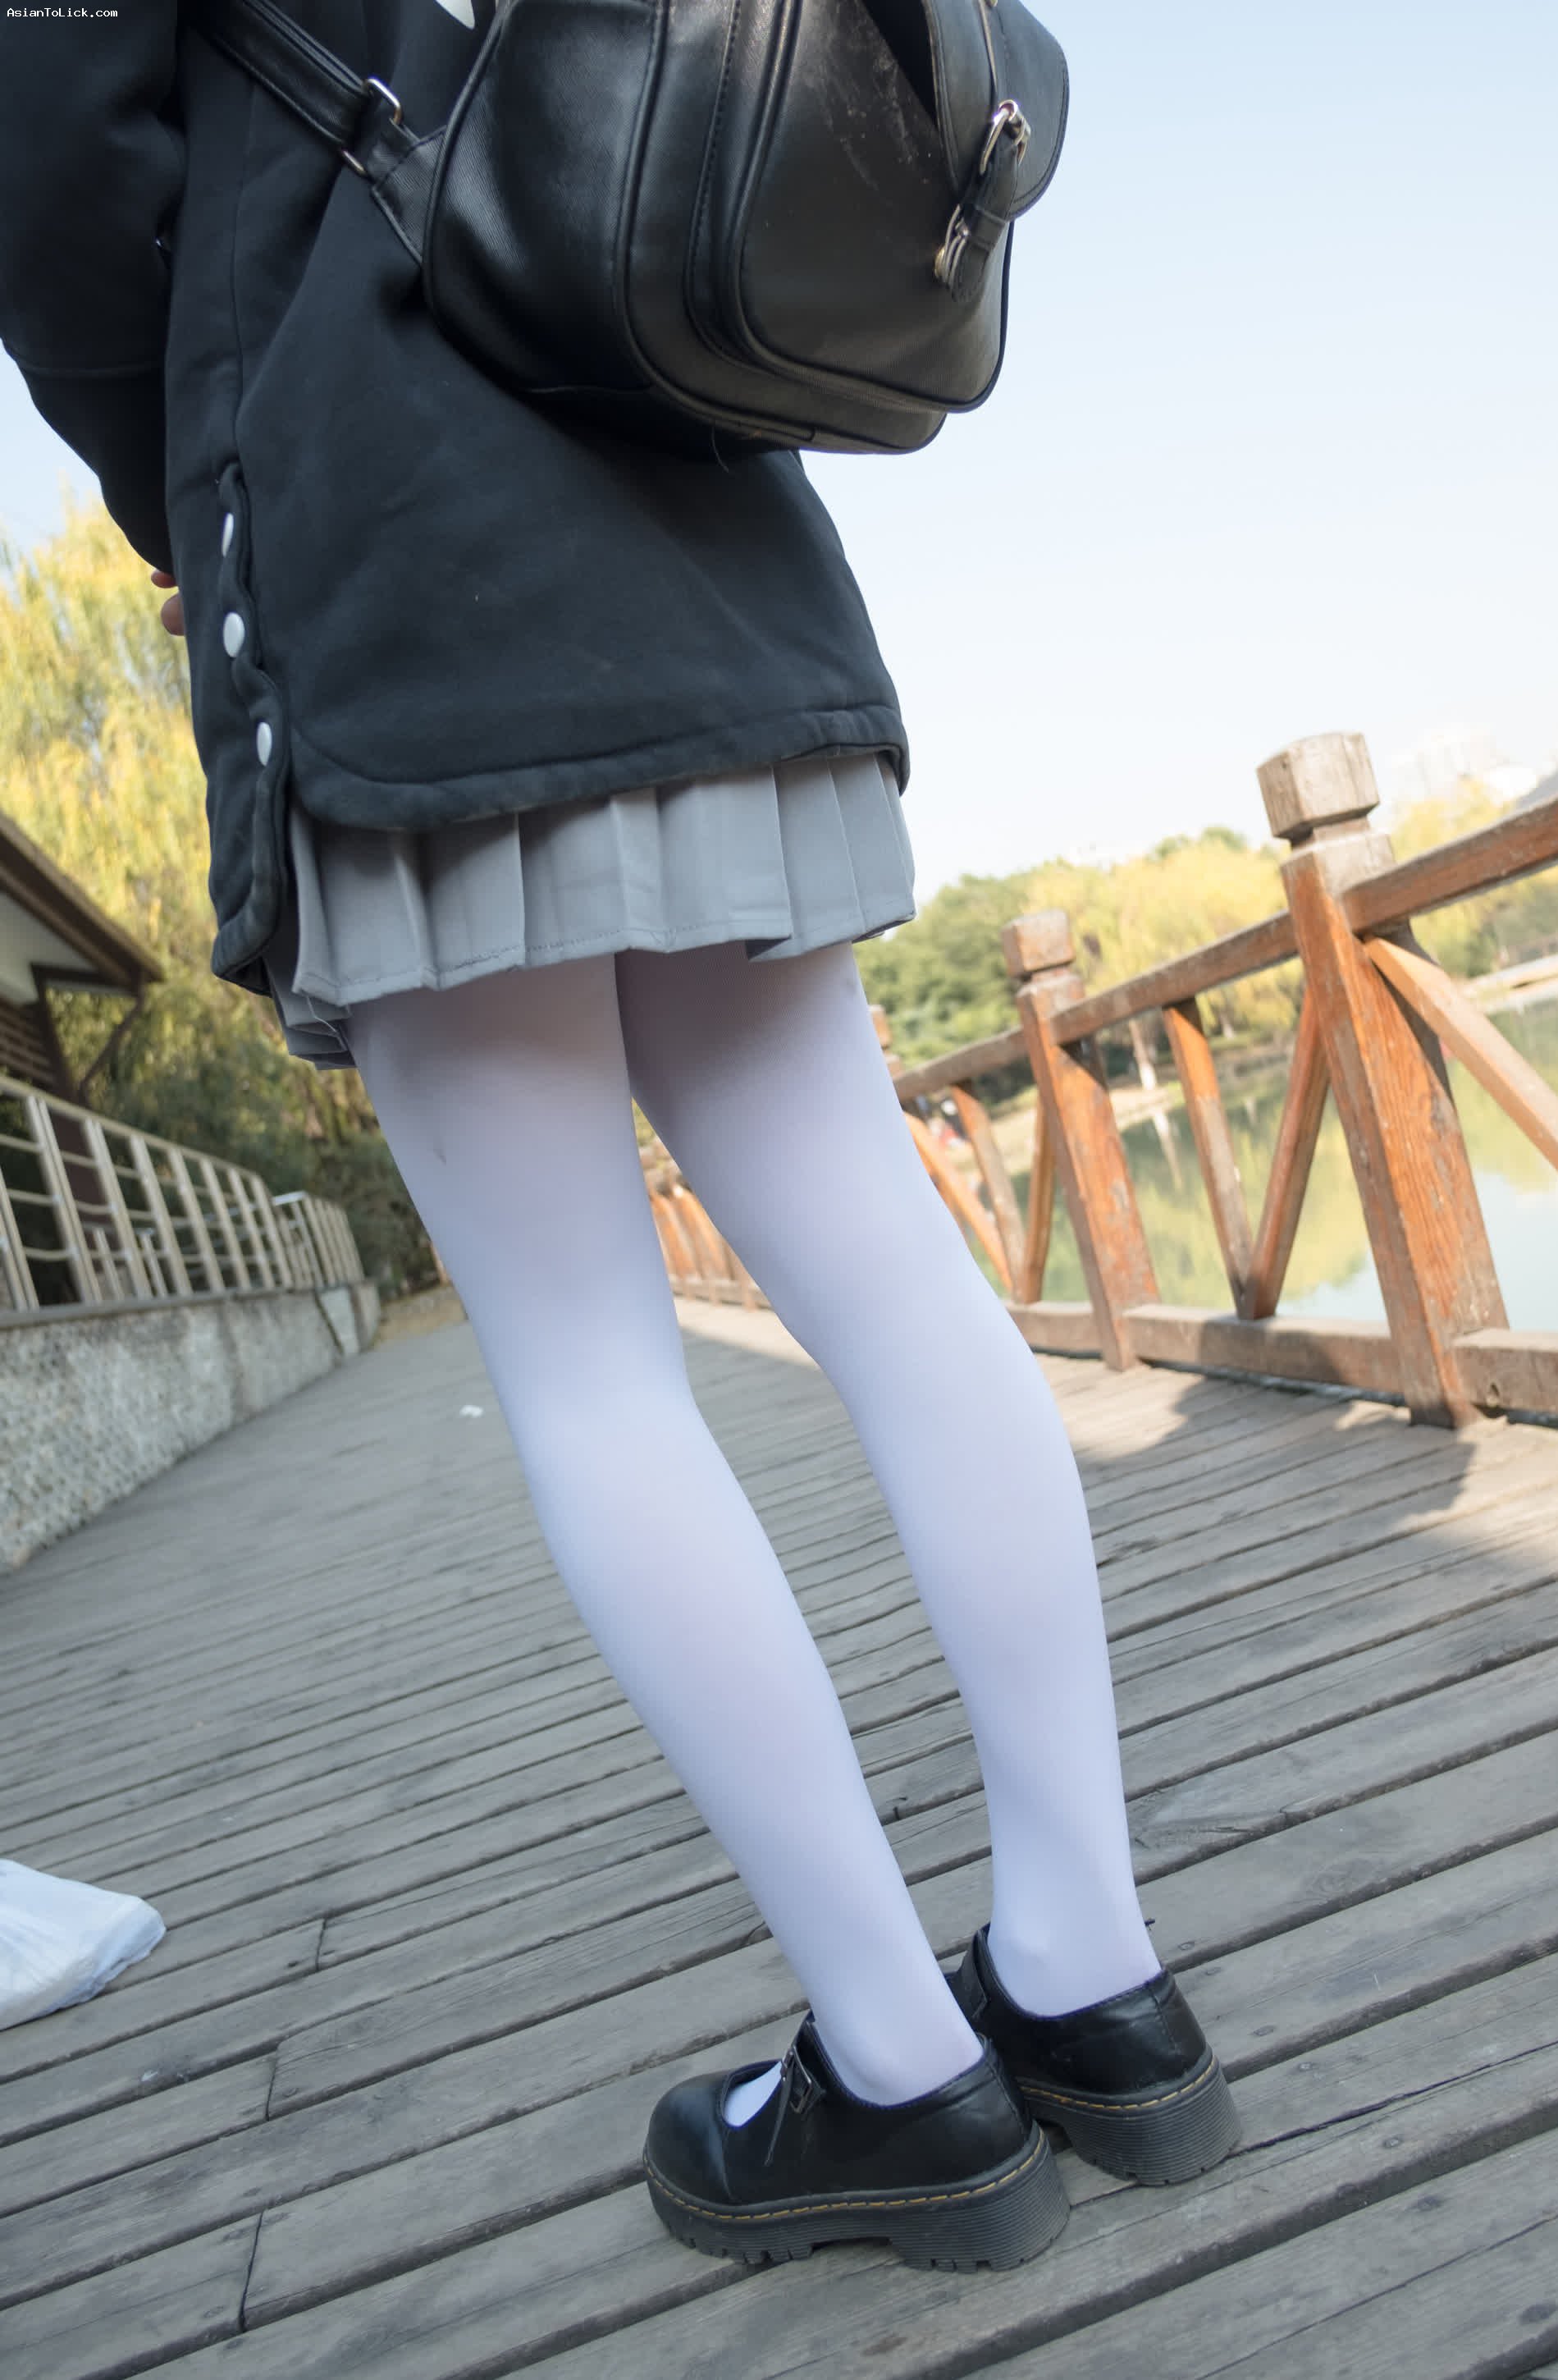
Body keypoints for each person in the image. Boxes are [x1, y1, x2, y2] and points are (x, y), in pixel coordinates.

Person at [0, 0, 1236, 2273]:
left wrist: (169, 475)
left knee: (584, 1359)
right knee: (890, 1267)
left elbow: (67, 168)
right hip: (685, 458)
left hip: (386, 514)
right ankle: (1096, 1978)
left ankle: (905, 2076)